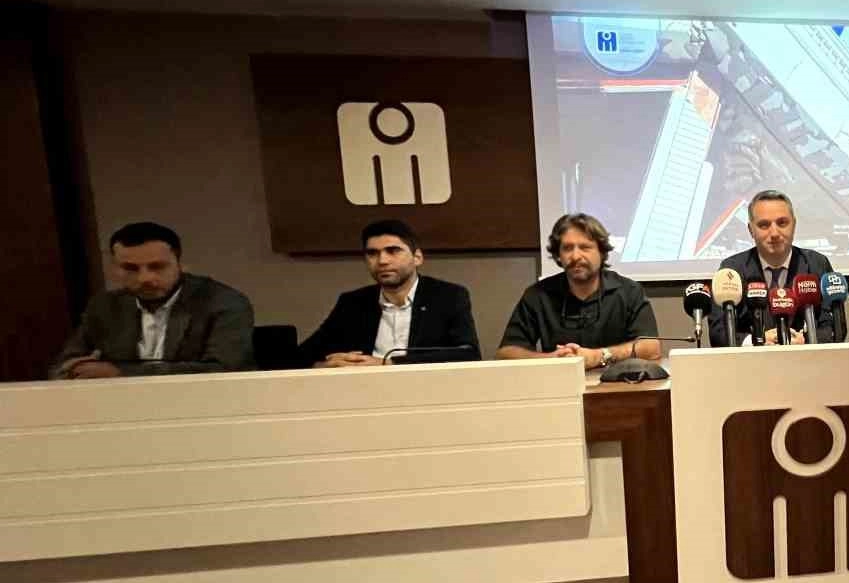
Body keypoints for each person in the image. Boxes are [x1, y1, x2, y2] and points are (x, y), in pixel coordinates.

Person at [50, 222, 254, 379]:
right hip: (120, 406)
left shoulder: (223, 303)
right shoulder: (105, 306)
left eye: (157, 267)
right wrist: (73, 368)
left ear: (180, 264)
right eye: (130, 268)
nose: (144, 278)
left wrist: (120, 372)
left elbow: (224, 371)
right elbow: (62, 366)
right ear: (114, 268)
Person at [298, 220, 480, 367]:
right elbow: (298, 356)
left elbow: (468, 354)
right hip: (363, 391)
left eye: (393, 251)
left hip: (428, 389)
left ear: (417, 258)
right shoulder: (353, 303)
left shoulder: (447, 296)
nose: (382, 261)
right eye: (372, 253)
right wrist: (323, 366)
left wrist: (388, 363)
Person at [497, 213, 661, 368]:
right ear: (558, 255)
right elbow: (506, 353)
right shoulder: (538, 295)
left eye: (585, 247)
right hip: (559, 381)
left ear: (602, 252)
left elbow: (651, 348)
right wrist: (552, 359)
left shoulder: (629, 291)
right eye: (567, 248)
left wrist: (599, 356)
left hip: (618, 383)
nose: (576, 256)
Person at [708, 189, 837, 345]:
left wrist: (805, 341)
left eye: (782, 223)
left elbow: (834, 328)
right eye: (764, 225)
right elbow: (718, 332)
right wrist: (756, 341)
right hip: (753, 359)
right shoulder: (732, 269)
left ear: (794, 225)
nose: (774, 233)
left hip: (807, 358)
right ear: (751, 230)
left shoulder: (817, 263)